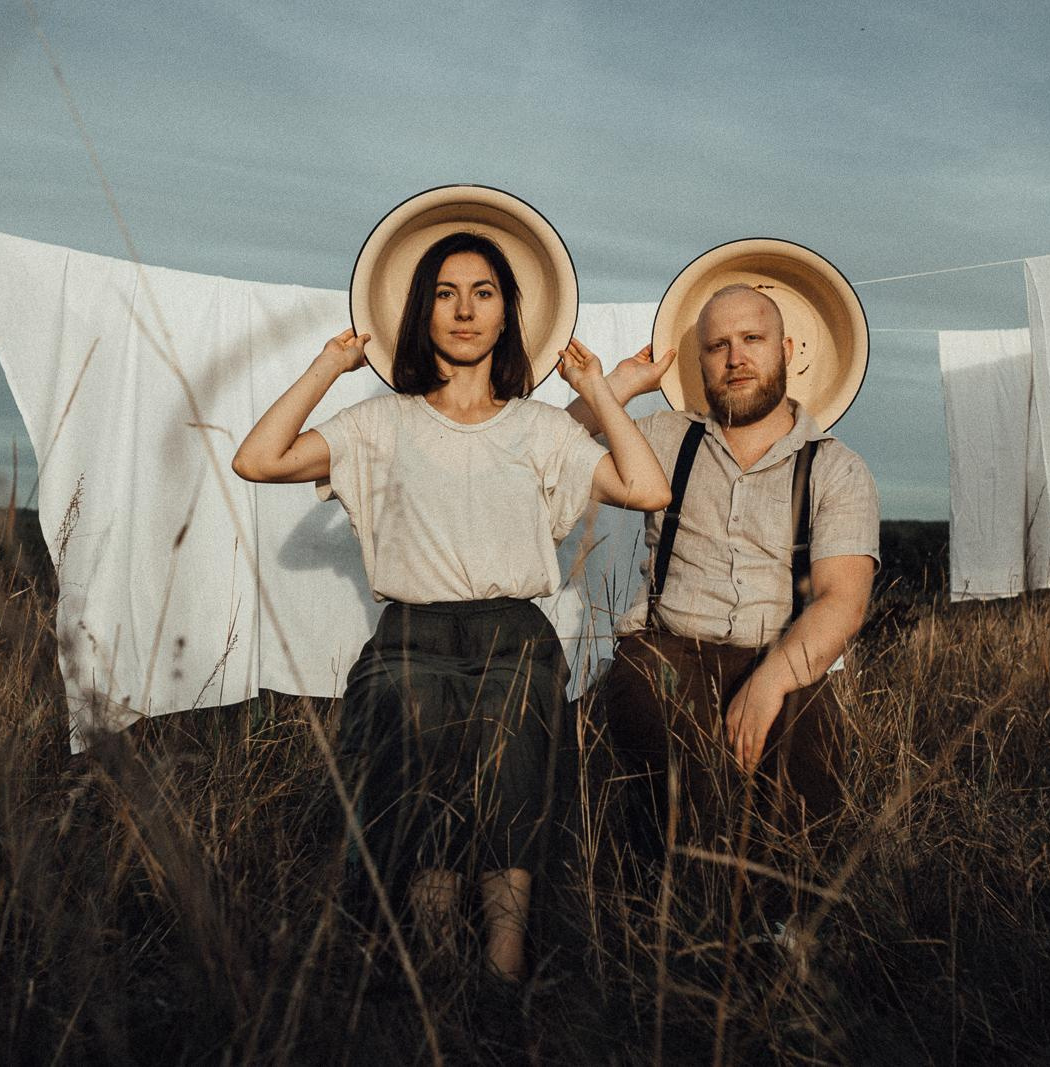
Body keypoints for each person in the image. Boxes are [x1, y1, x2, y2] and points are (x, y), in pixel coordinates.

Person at [232, 230, 669, 982]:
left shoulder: (541, 427)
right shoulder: (381, 424)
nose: (464, 311)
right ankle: (435, 966)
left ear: (507, 315)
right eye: (445, 294)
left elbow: (648, 488)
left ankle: (503, 969)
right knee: (420, 765)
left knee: (512, 770)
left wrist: (601, 388)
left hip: (514, 637)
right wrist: (329, 365)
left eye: (483, 293)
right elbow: (256, 459)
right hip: (411, 636)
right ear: (422, 313)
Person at [567, 281, 879, 931]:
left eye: (752, 339)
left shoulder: (838, 468)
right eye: (717, 346)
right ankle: (683, 914)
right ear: (700, 362)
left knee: (808, 750)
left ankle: (774, 931)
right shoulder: (663, 436)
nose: (735, 358)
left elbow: (842, 602)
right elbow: (539, 450)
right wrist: (615, 386)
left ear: (787, 351)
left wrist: (770, 682)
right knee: (659, 721)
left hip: (781, 654)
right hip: (668, 649)